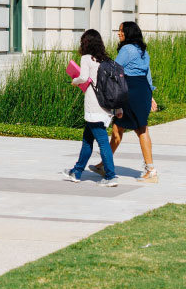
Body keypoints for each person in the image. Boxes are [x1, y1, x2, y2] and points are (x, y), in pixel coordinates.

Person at [92, 20, 159, 184]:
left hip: (131, 90)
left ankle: (151, 171)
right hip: (142, 89)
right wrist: (150, 96)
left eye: (121, 30)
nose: (119, 33)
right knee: (119, 127)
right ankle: (103, 164)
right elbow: (147, 74)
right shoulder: (143, 50)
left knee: (140, 129)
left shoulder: (127, 49)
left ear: (128, 32)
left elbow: (114, 68)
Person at [62, 28, 118, 186]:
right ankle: (77, 172)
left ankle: (110, 176)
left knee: (102, 142)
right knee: (87, 140)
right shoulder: (105, 59)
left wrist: (75, 81)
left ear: (85, 43)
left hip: (94, 106)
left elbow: (84, 77)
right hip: (106, 105)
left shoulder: (87, 58)